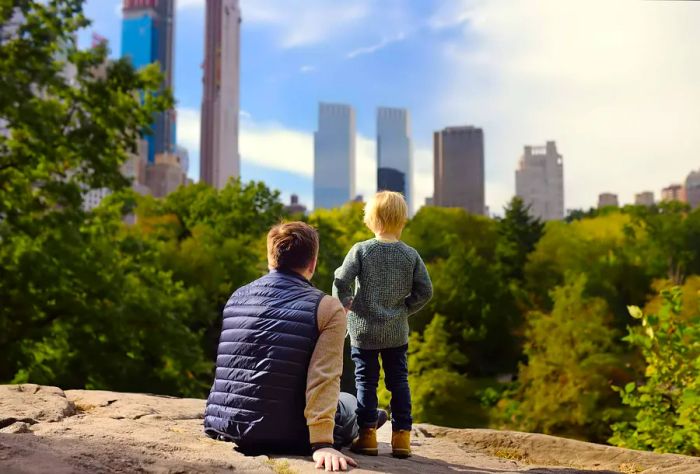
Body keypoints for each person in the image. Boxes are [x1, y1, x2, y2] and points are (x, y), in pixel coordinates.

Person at [204, 221, 370, 471]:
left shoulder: (236, 296)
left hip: (227, 426)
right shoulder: (327, 307)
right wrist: (322, 443)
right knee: (351, 402)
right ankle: (370, 419)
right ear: (312, 263)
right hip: (292, 434)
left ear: (271, 257)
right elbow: (323, 377)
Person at [333, 191, 433, 459]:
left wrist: (344, 305)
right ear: (402, 220)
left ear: (370, 219)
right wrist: (403, 310)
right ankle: (402, 439)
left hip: (363, 329)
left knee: (365, 381)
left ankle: (367, 436)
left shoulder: (361, 250)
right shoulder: (410, 255)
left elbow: (341, 281)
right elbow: (425, 291)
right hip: (396, 331)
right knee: (399, 381)